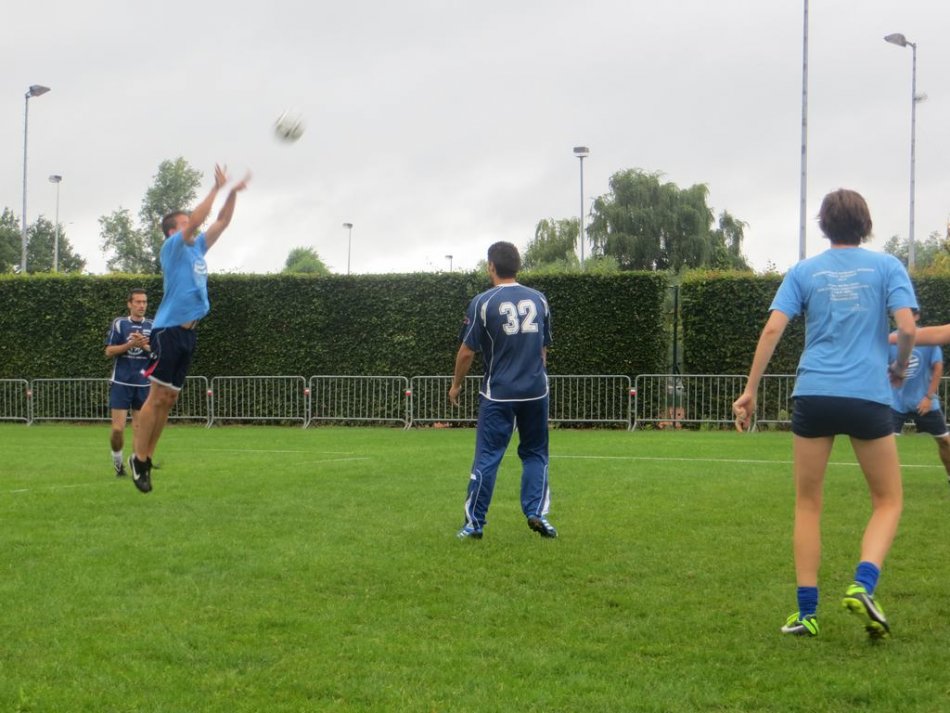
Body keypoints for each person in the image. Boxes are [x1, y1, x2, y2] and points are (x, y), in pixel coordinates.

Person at [732, 188, 917, 639]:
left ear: (823, 225)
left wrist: (750, 390)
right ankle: (863, 584)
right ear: (865, 224)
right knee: (888, 501)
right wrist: (898, 368)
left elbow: (773, 329)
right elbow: (908, 328)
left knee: (808, 503)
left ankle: (807, 614)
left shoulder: (804, 271)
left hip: (813, 394)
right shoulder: (887, 266)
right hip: (868, 395)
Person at [128, 164, 250, 493]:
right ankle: (138, 458)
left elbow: (221, 221)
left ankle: (147, 458)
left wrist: (232, 194)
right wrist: (216, 188)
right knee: (156, 397)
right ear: (172, 232)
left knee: (169, 399)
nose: (192, 225)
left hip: (188, 333)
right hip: (168, 331)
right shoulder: (172, 248)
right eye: (184, 223)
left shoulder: (197, 249)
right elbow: (198, 220)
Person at [449, 241, 557, 540]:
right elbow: (543, 348)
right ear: (518, 266)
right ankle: (536, 512)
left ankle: (474, 523)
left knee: (487, 456)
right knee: (535, 454)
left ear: (491, 266)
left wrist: (456, 385)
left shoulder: (483, 302)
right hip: (536, 391)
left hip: (498, 393)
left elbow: (467, 352)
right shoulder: (539, 299)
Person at [889, 310, 950, 484]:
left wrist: (928, 397)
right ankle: (887, 485)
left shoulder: (929, 339)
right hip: (896, 403)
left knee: (944, 441)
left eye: (912, 313)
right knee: (885, 444)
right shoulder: (890, 340)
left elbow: (937, 368)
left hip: (924, 401)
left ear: (917, 316)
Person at [104, 288, 152, 477]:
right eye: (138, 302)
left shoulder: (152, 325)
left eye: (144, 302)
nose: (142, 305)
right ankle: (117, 461)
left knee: (139, 429)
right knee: (118, 429)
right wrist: (130, 344)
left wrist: (145, 346)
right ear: (129, 304)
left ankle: (136, 467)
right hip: (121, 382)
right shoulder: (120, 323)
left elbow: (159, 354)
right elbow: (109, 351)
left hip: (143, 383)